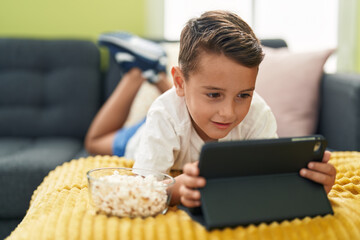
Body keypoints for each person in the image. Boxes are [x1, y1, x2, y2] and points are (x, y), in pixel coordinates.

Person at [85, 10, 336, 208]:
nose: (228, 112)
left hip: (185, 109)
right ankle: (136, 74)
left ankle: (158, 74)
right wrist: (175, 190)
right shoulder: (163, 115)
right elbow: (144, 187)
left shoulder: (258, 114)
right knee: (95, 142)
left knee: (189, 103)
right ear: (180, 82)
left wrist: (308, 187)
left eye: (243, 95)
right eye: (214, 94)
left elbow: (266, 178)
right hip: (147, 131)